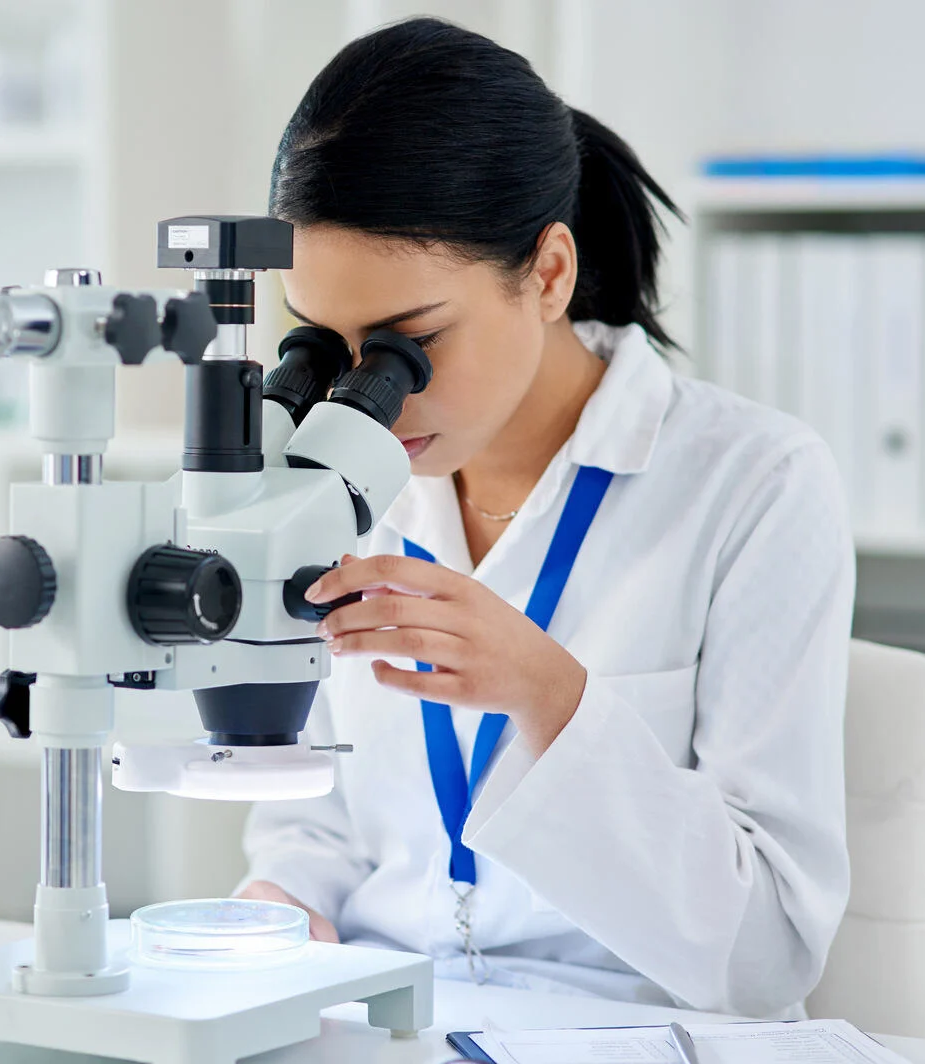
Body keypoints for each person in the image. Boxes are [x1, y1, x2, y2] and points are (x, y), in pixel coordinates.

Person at [236, 17, 853, 1018]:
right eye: (325, 346)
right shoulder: (337, 478)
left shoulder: (756, 486)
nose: (365, 396)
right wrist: (283, 898)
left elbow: (766, 957)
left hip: (626, 1029)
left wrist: (548, 694)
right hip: (384, 1014)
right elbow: (322, 828)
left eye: (407, 344)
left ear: (551, 273)